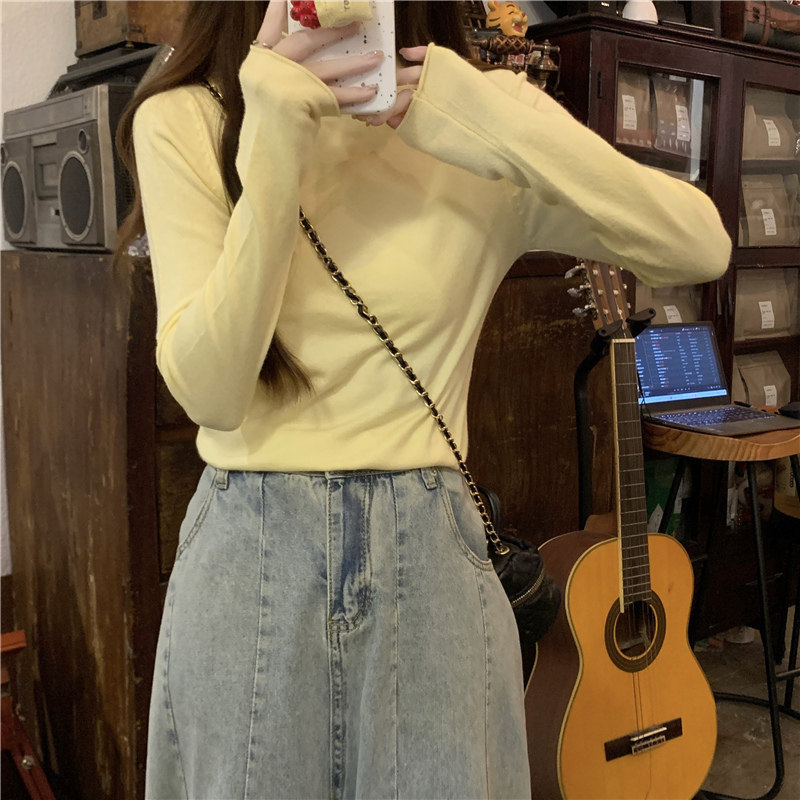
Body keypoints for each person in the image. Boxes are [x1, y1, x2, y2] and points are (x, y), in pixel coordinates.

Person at [115, 1, 731, 797]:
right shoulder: (189, 116)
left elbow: (698, 246)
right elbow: (212, 391)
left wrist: (486, 110)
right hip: (251, 557)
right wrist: (270, 141)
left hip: (430, 555)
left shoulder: (476, 119)